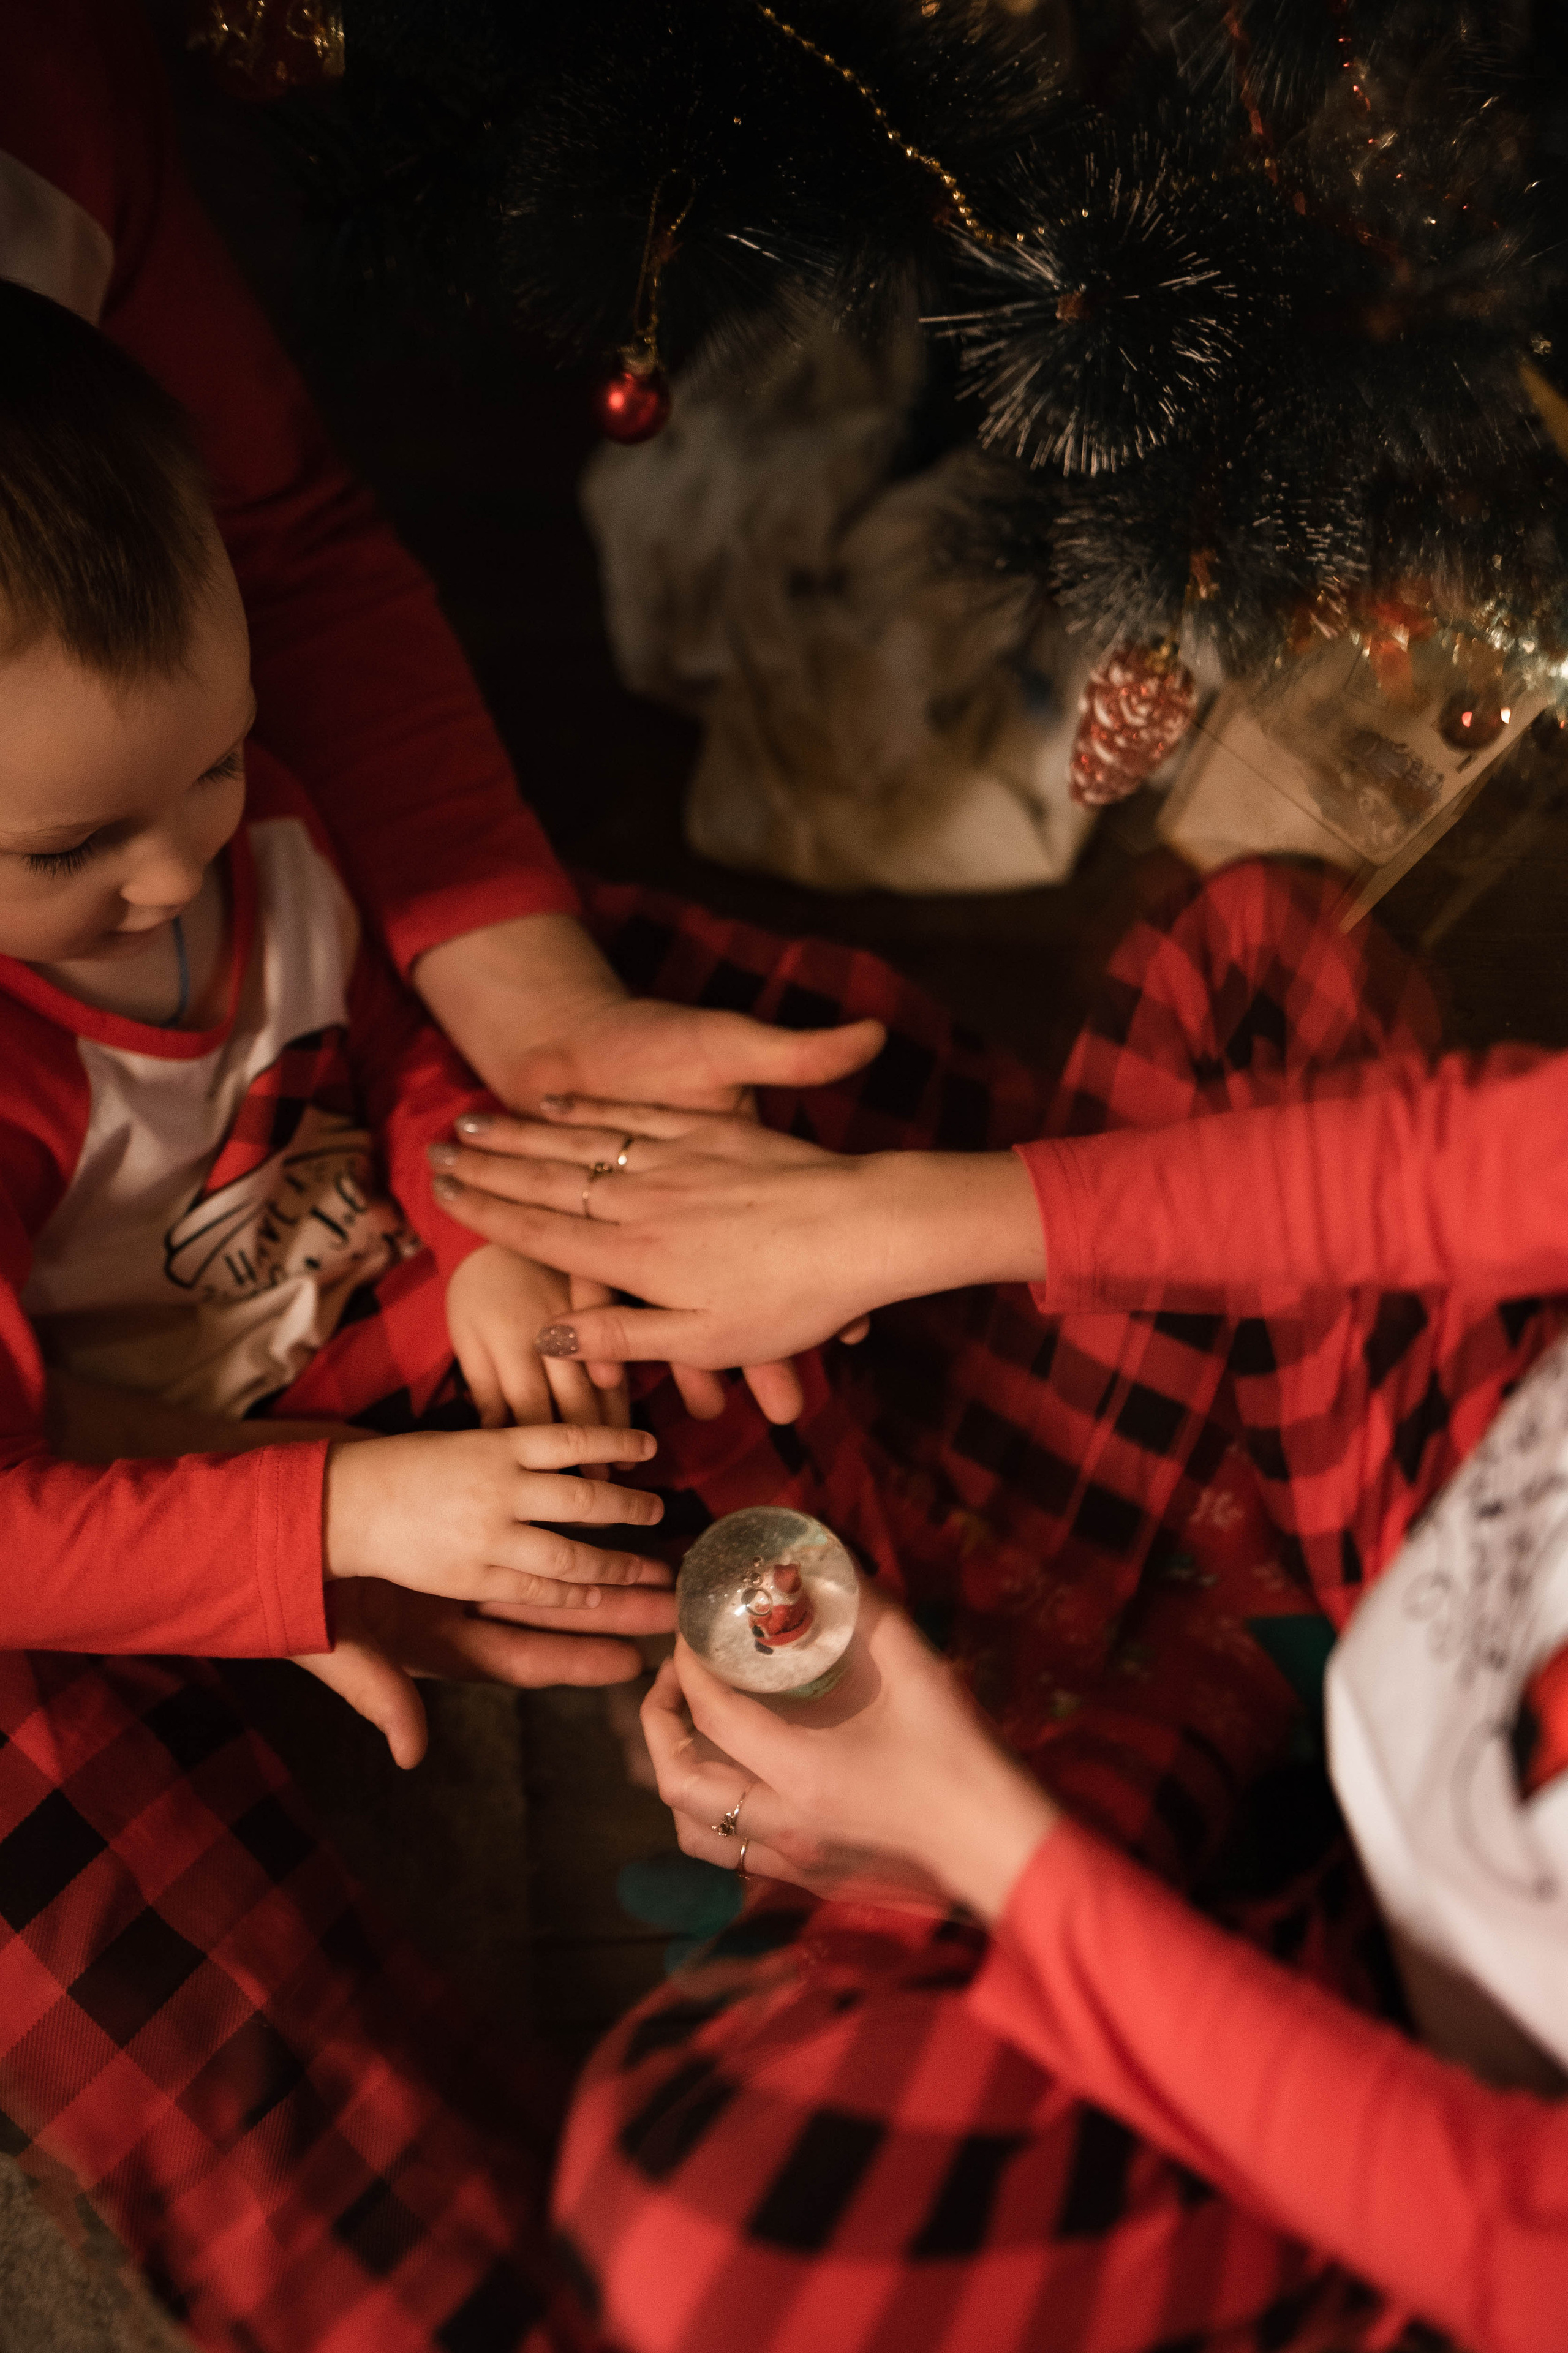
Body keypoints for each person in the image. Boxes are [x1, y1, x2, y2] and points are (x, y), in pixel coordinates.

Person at [423, 857, 1568, 2352]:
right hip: (1464, 1589)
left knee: (718, 2256)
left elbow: (1509, 2239)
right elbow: (1490, 1162)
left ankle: (1055, 1782)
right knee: (1246, 968)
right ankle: (1154, 1691)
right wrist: (894, 1220)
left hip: (1423, 2136)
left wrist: (949, 1827)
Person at [0, 0, 888, 1455]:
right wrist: (324, 1509)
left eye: (219, 758)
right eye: (68, 847)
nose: (180, 868)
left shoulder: (266, 829)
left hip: (375, 1311)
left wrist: (491, 1189)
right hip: (191, 1470)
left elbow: (389, 1045)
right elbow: (33, 1476)